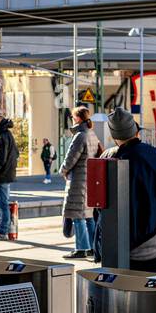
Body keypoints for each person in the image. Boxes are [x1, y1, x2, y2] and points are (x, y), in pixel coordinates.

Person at [94, 107, 156, 271]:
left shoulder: (113, 161)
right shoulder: (155, 154)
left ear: (114, 135)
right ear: (135, 130)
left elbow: (103, 209)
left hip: (129, 249)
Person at [60, 106, 102, 258]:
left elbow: (71, 158)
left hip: (78, 180)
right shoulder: (92, 134)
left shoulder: (80, 135)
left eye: (73, 117)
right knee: (89, 216)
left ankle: (81, 248)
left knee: (77, 216)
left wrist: (63, 170)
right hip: (90, 180)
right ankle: (92, 247)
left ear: (77, 118)